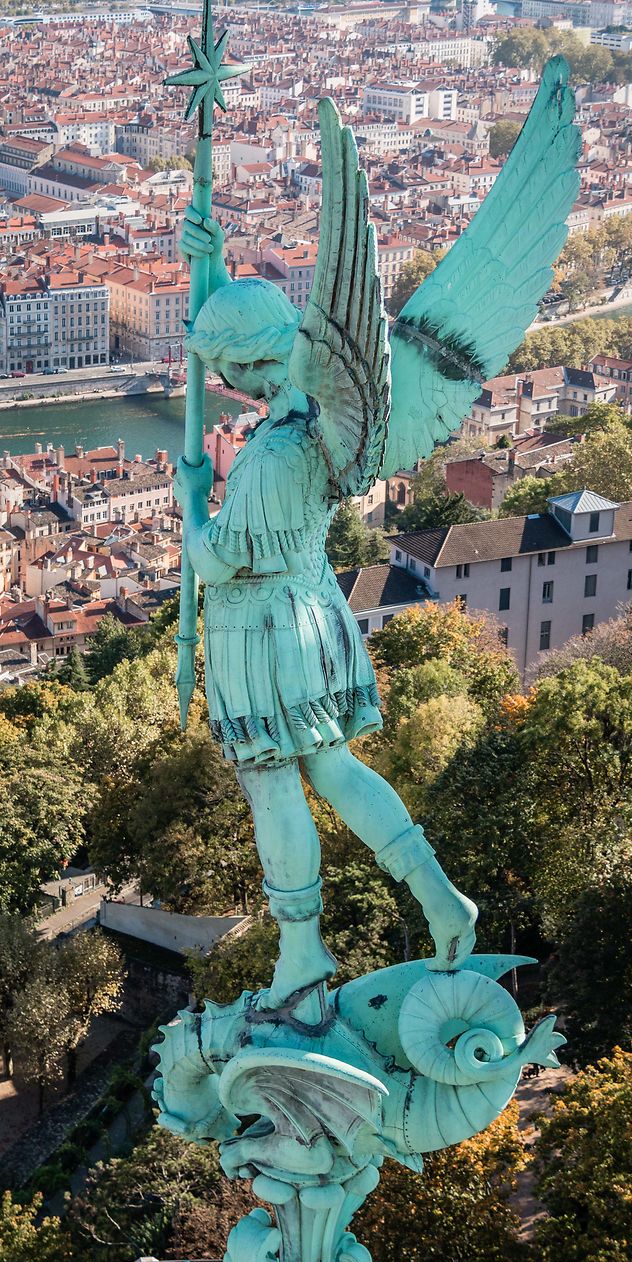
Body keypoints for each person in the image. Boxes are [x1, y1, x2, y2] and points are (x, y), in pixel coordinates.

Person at [174, 205, 477, 1026]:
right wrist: (212, 264)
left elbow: (214, 560)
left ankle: (302, 957)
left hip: (261, 632)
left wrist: (190, 503)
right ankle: (442, 900)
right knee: (335, 770)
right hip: (314, 614)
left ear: (242, 367)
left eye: (223, 369)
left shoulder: (271, 456)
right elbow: (238, 336)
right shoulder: (308, 420)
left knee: (273, 788)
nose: (222, 386)